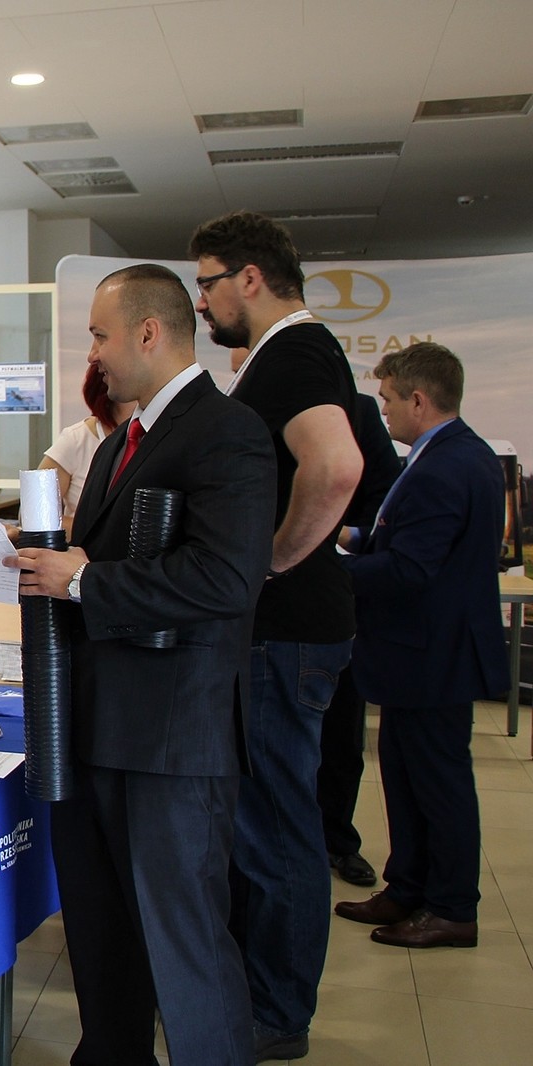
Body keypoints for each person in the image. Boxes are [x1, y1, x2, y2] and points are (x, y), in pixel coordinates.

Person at [9, 264, 276, 1066]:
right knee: (103, 943)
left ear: (149, 333)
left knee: (184, 949)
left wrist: (83, 579)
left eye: (99, 335)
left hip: (169, 744)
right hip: (98, 732)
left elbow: (225, 579)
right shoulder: (124, 443)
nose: (93, 354)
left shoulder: (227, 432)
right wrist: (50, 563)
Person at [189, 210, 362, 1063]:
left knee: (276, 827)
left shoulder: (293, 353)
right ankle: (261, 996)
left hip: (285, 633)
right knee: (263, 820)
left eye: (207, 283)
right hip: (287, 633)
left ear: (249, 278)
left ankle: (277, 1013)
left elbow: (336, 467)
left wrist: (272, 562)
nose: (202, 303)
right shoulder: (289, 354)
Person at [333, 343, 507, 948]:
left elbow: (411, 569)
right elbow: (406, 541)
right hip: (422, 653)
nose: (381, 411)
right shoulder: (452, 454)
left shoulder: (443, 466)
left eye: (386, 399)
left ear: (418, 399)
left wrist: (328, 572)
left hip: (433, 654)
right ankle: (408, 887)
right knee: (407, 779)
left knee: (437, 784)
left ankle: (451, 907)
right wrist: (352, 537)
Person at [320, 392, 402, 887]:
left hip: (340, 592)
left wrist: (343, 534)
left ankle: (337, 839)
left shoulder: (357, 410)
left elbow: (384, 498)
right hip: (268, 599)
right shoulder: (250, 404)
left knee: (341, 729)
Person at [39, 363, 136, 533]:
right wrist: (97, 532)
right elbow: (35, 515)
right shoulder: (76, 439)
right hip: (81, 547)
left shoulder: (155, 434)